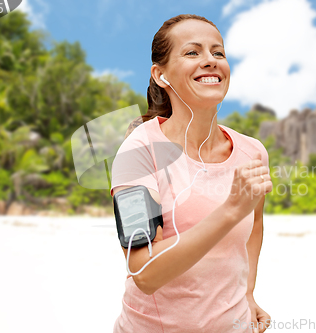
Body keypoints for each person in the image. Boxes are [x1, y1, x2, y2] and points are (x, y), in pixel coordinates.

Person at [110, 14, 273, 333]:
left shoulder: (252, 151)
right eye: (192, 52)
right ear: (161, 75)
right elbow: (143, 273)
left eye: (218, 52)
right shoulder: (138, 151)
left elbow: (254, 226)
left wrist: (248, 293)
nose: (210, 61)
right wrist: (228, 211)